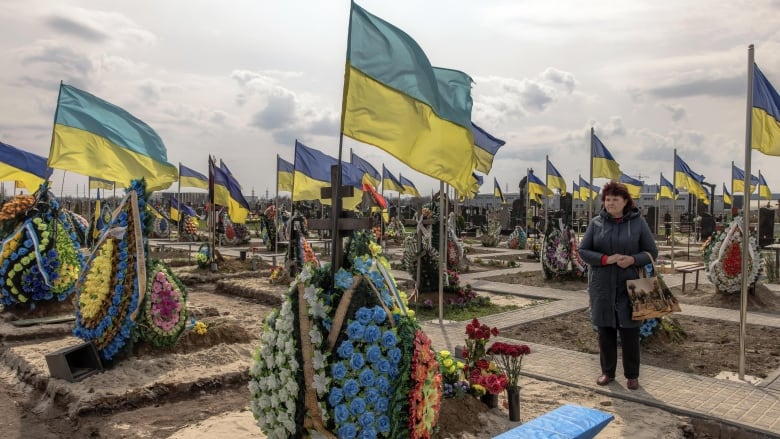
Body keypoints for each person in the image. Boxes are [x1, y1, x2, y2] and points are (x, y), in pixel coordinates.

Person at [579, 182, 658, 391]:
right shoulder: (596, 223)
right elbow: (584, 251)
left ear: (625, 202)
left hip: (630, 285)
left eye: (615, 199)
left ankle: (632, 376)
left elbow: (652, 252)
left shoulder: (638, 223)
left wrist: (632, 260)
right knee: (605, 330)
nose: (611, 203)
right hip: (602, 286)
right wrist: (606, 259)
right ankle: (607, 372)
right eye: (607, 199)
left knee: (630, 332)